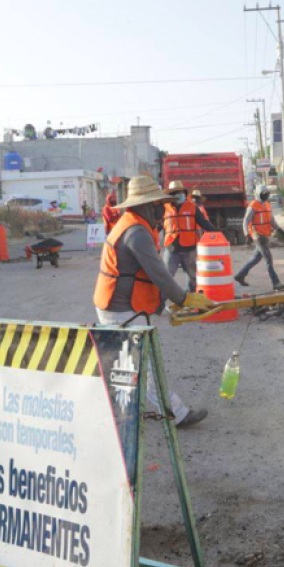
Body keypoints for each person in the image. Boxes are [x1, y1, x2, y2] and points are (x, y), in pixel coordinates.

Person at [93, 176, 214, 428]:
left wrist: (162, 308)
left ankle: (117, 411)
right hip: (120, 308)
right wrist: (183, 298)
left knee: (126, 363)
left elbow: (145, 275)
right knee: (142, 365)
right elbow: (158, 273)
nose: (162, 209)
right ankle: (176, 414)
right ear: (145, 206)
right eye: (158, 204)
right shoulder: (136, 232)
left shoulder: (132, 225)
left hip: (119, 305)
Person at [162, 181, 216, 292]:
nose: (179, 194)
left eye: (181, 192)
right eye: (176, 192)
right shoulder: (164, 208)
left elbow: (204, 222)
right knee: (166, 278)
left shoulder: (192, 207)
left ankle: (194, 300)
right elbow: (156, 225)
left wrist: (216, 232)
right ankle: (159, 303)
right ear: (170, 195)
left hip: (189, 248)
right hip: (171, 248)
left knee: (194, 277)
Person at [234, 186, 284, 291]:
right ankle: (276, 283)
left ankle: (240, 275)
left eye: (266, 193)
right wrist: (246, 234)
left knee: (256, 258)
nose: (265, 195)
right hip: (258, 236)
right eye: (263, 193)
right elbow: (245, 221)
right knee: (268, 259)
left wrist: (278, 229)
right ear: (258, 194)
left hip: (266, 235)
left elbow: (271, 220)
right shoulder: (253, 205)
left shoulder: (267, 205)